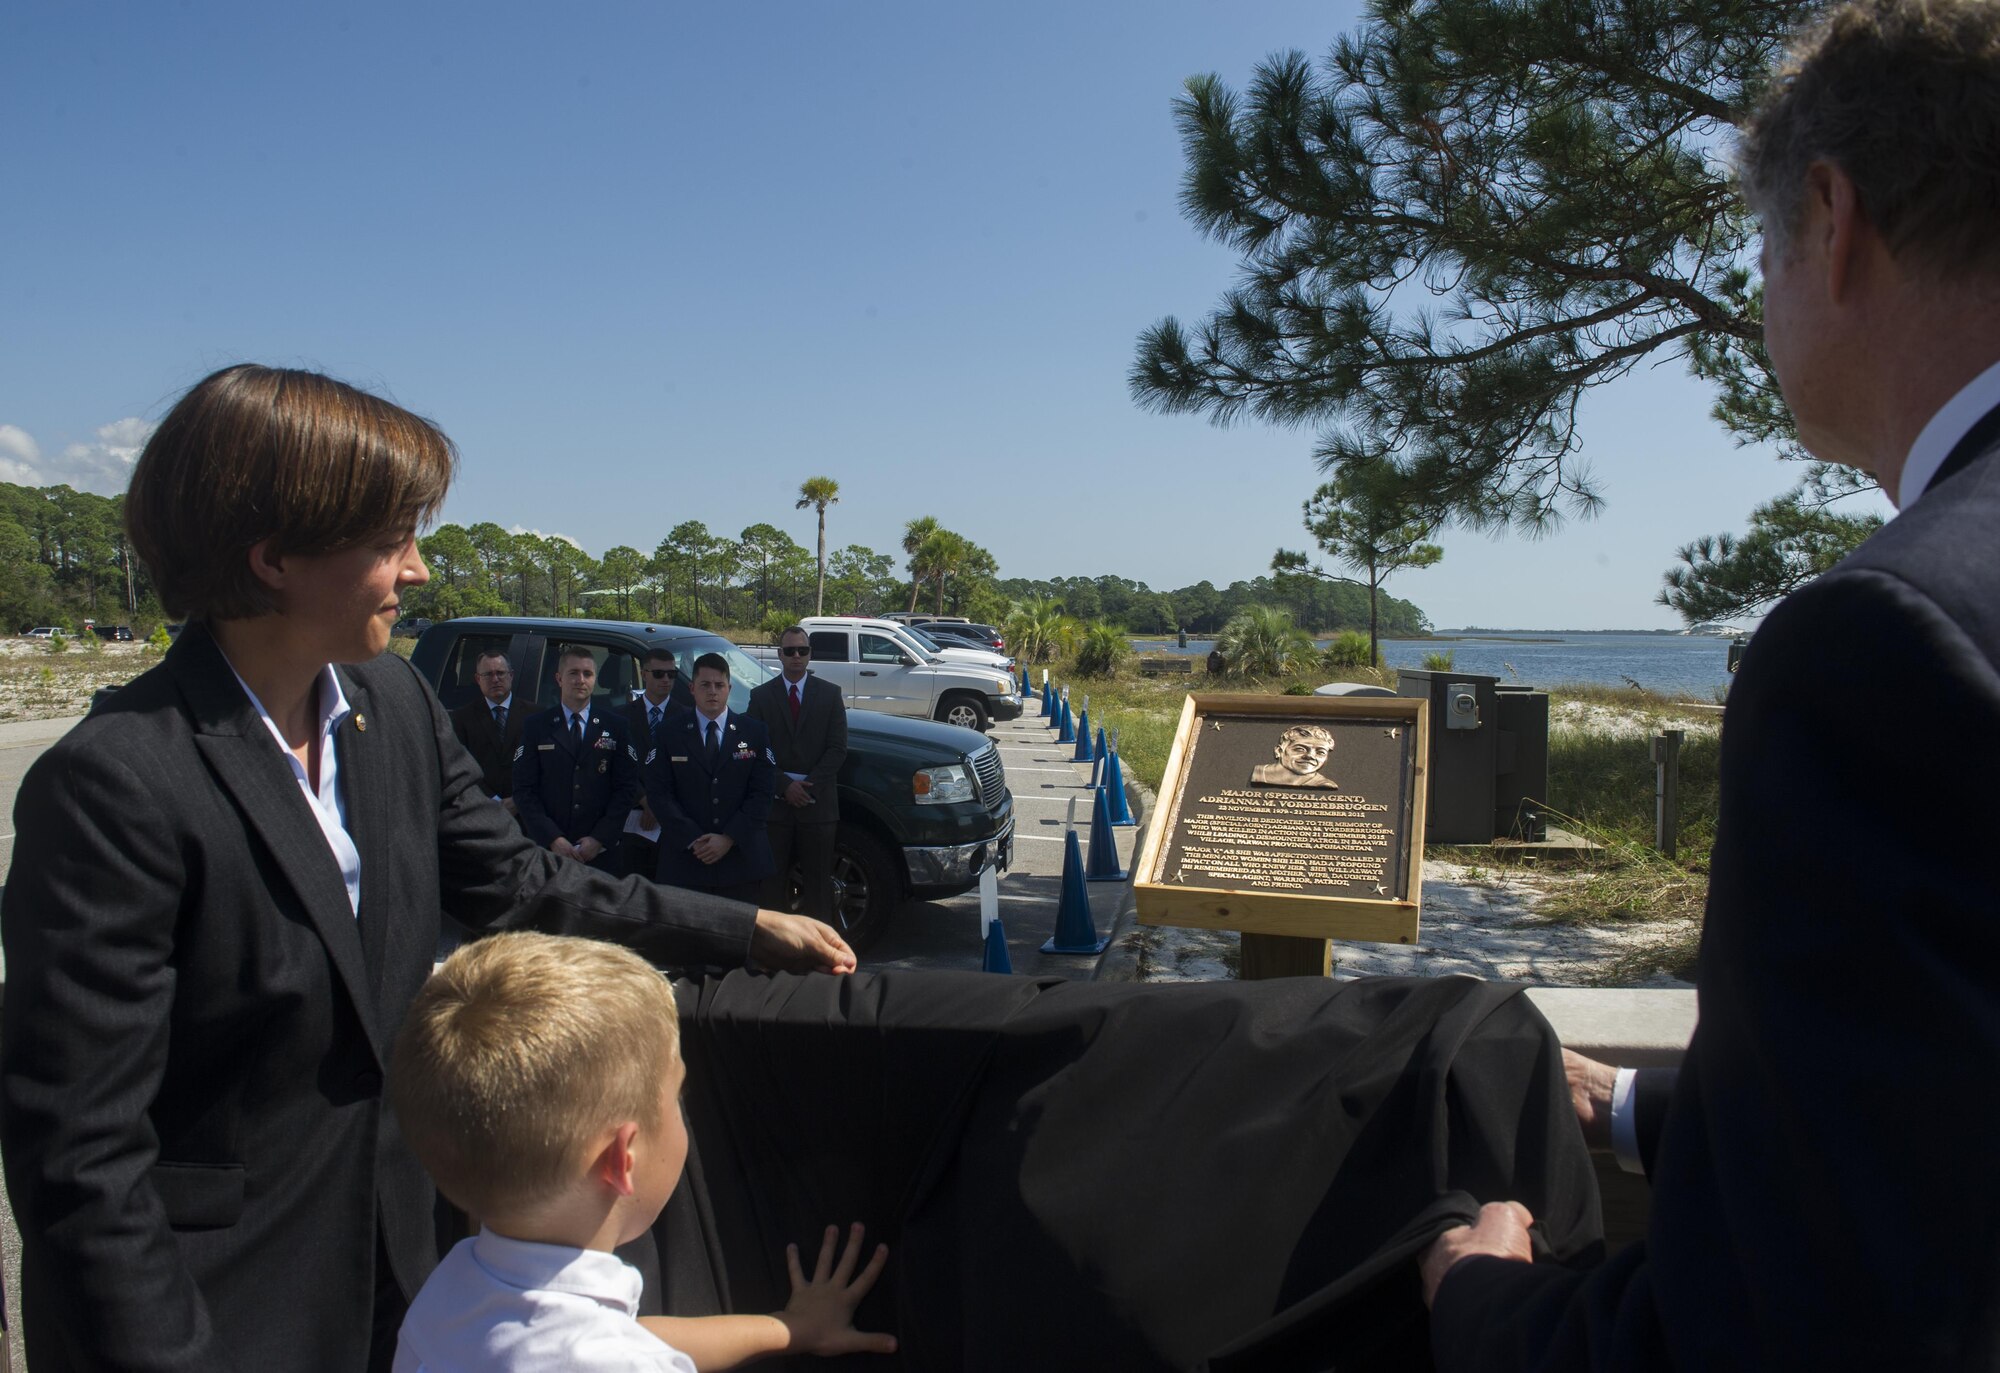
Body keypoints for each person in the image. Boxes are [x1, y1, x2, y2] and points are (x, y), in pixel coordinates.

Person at [0, 364, 855, 1373]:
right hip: (225, 1303)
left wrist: (743, 927)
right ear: (272, 557)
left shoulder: (391, 705)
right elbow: (81, 1155)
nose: (418, 571)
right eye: (390, 541)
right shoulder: (117, 783)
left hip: (406, 1270)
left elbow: (520, 880)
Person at [1421, 2, 2000, 1365]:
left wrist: (1476, 1302)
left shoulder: (1884, 644)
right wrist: (1636, 1107)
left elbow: (1781, 1331)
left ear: (1831, 214)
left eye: (1760, 250)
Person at [389, 931, 895, 1371]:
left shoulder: (451, 1288)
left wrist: (789, 1329)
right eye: (677, 1094)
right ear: (622, 1159)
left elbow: (624, 1338)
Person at [646, 653, 777, 904]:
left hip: (741, 860)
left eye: (719, 685)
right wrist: (693, 839)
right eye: (705, 685)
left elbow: (762, 793)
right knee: (687, 940)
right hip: (686, 860)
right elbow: (660, 793)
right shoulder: (668, 733)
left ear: (730, 688)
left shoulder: (754, 732)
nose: (713, 692)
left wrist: (729, 838)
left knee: (738, 940)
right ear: (692, 688)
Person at [745, 626, 847, 922]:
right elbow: (755, 749)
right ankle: (773, 957)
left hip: (819, 808)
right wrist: (785, 785)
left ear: (810, 654)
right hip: (775, 808)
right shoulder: (761, 697)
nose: (796, 656)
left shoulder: (830, 694)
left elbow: (837, 749)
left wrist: (807, 787)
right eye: (790, 651)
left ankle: (819, 957)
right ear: (780, 655)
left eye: (802, 651)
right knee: (771, 887)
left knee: (818, 888)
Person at [513, 645, 643, 875]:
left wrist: (599, 839)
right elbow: (524, 790)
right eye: (573, 673)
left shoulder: (616, 726)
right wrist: (553, 838)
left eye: (587, 674)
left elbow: (626, 789)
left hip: (601, 853)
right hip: (550, 852)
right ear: (559, 678)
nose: (580, 680)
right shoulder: (537, 726)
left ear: (594, 680)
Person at [614, 648, 690, 880]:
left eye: (671, 674)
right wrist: (644, 800)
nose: (666, 680)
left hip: (671, 820)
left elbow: (687, 772)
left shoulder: (688, 717)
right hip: (631, 818)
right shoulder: (621, 717)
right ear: (644, 674)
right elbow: (618, 766)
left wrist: (658, 805)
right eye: (658, 674)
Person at [448, 649, 526, 812]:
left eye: (500, 673)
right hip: (480, 811)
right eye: (488, 675)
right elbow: (460, 767)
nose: (495, 679)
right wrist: (492, 800)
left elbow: (544, 767)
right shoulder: (461, 718)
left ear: (511, 675)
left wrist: (518, 800)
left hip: (527, 814)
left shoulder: (535, 715)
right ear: (478, 679)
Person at [1247, 723, 1340, 788]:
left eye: (1320, 752)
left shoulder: (1324, 784)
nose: (1310, 756)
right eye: (1300, 749)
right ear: (1279, 751)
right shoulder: (1258, 774)